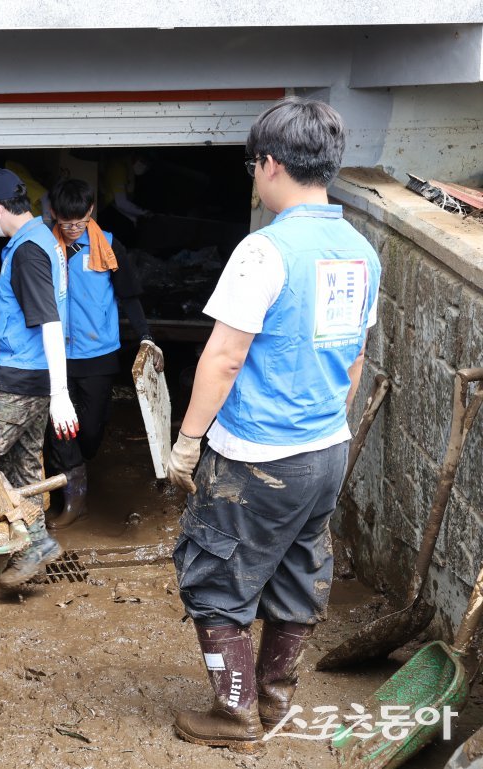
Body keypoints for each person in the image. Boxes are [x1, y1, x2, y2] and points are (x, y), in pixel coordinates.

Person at [164, 96, 381, 752]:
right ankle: (273, 699)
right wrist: (323, 429)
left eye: (253, 163)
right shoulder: (359, 251)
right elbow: (356, 359)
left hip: (259, 454)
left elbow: (225, 356)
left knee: (214, 575)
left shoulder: (264, 251)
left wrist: (188, 440)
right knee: (297, 568)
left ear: (272, 164)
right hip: (326, 450)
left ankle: (234, 714)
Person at [0, 168, 78, 588]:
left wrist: (62, 394)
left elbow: (48, 321)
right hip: (38, 378)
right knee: (23, 468)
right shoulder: (44, 239)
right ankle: (37, 544)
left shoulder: (28, 250)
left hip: (20, 382)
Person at [43, 178, 164, 529]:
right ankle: (73, 497)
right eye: (66, 223)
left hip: (98, 353)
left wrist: (145, 336)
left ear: (90, 212)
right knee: (61, 427)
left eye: (79, 222)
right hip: (57, 354)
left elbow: (129, 296)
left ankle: (76, 463)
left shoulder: (109, 247)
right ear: (53, 215)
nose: (72, 230)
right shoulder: (44, 248)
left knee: (91, 429)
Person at [97, 152, 152, 246]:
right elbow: (120, 202)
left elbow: (117, 202)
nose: (144, 166)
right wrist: (144, 213)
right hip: (110, 215)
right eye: (143, 161)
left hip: (110, 212)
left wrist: (134, 218)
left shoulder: (125, 169)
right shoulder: (119, 168)